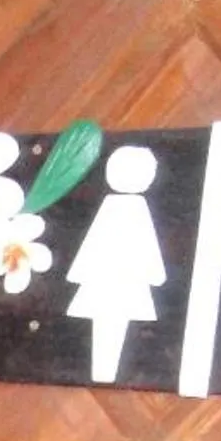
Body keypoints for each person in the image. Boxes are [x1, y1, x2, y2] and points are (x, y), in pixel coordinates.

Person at [65, 144, 165, 382]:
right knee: (108, 328)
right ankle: (104, 373)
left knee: (110, 329)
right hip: (115, 285)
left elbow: (96, 243)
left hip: (117, 285)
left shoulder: (121, 207)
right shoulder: (129, 208)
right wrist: (155, 274)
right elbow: (141, 244)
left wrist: (79, 272)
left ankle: (105, 373)